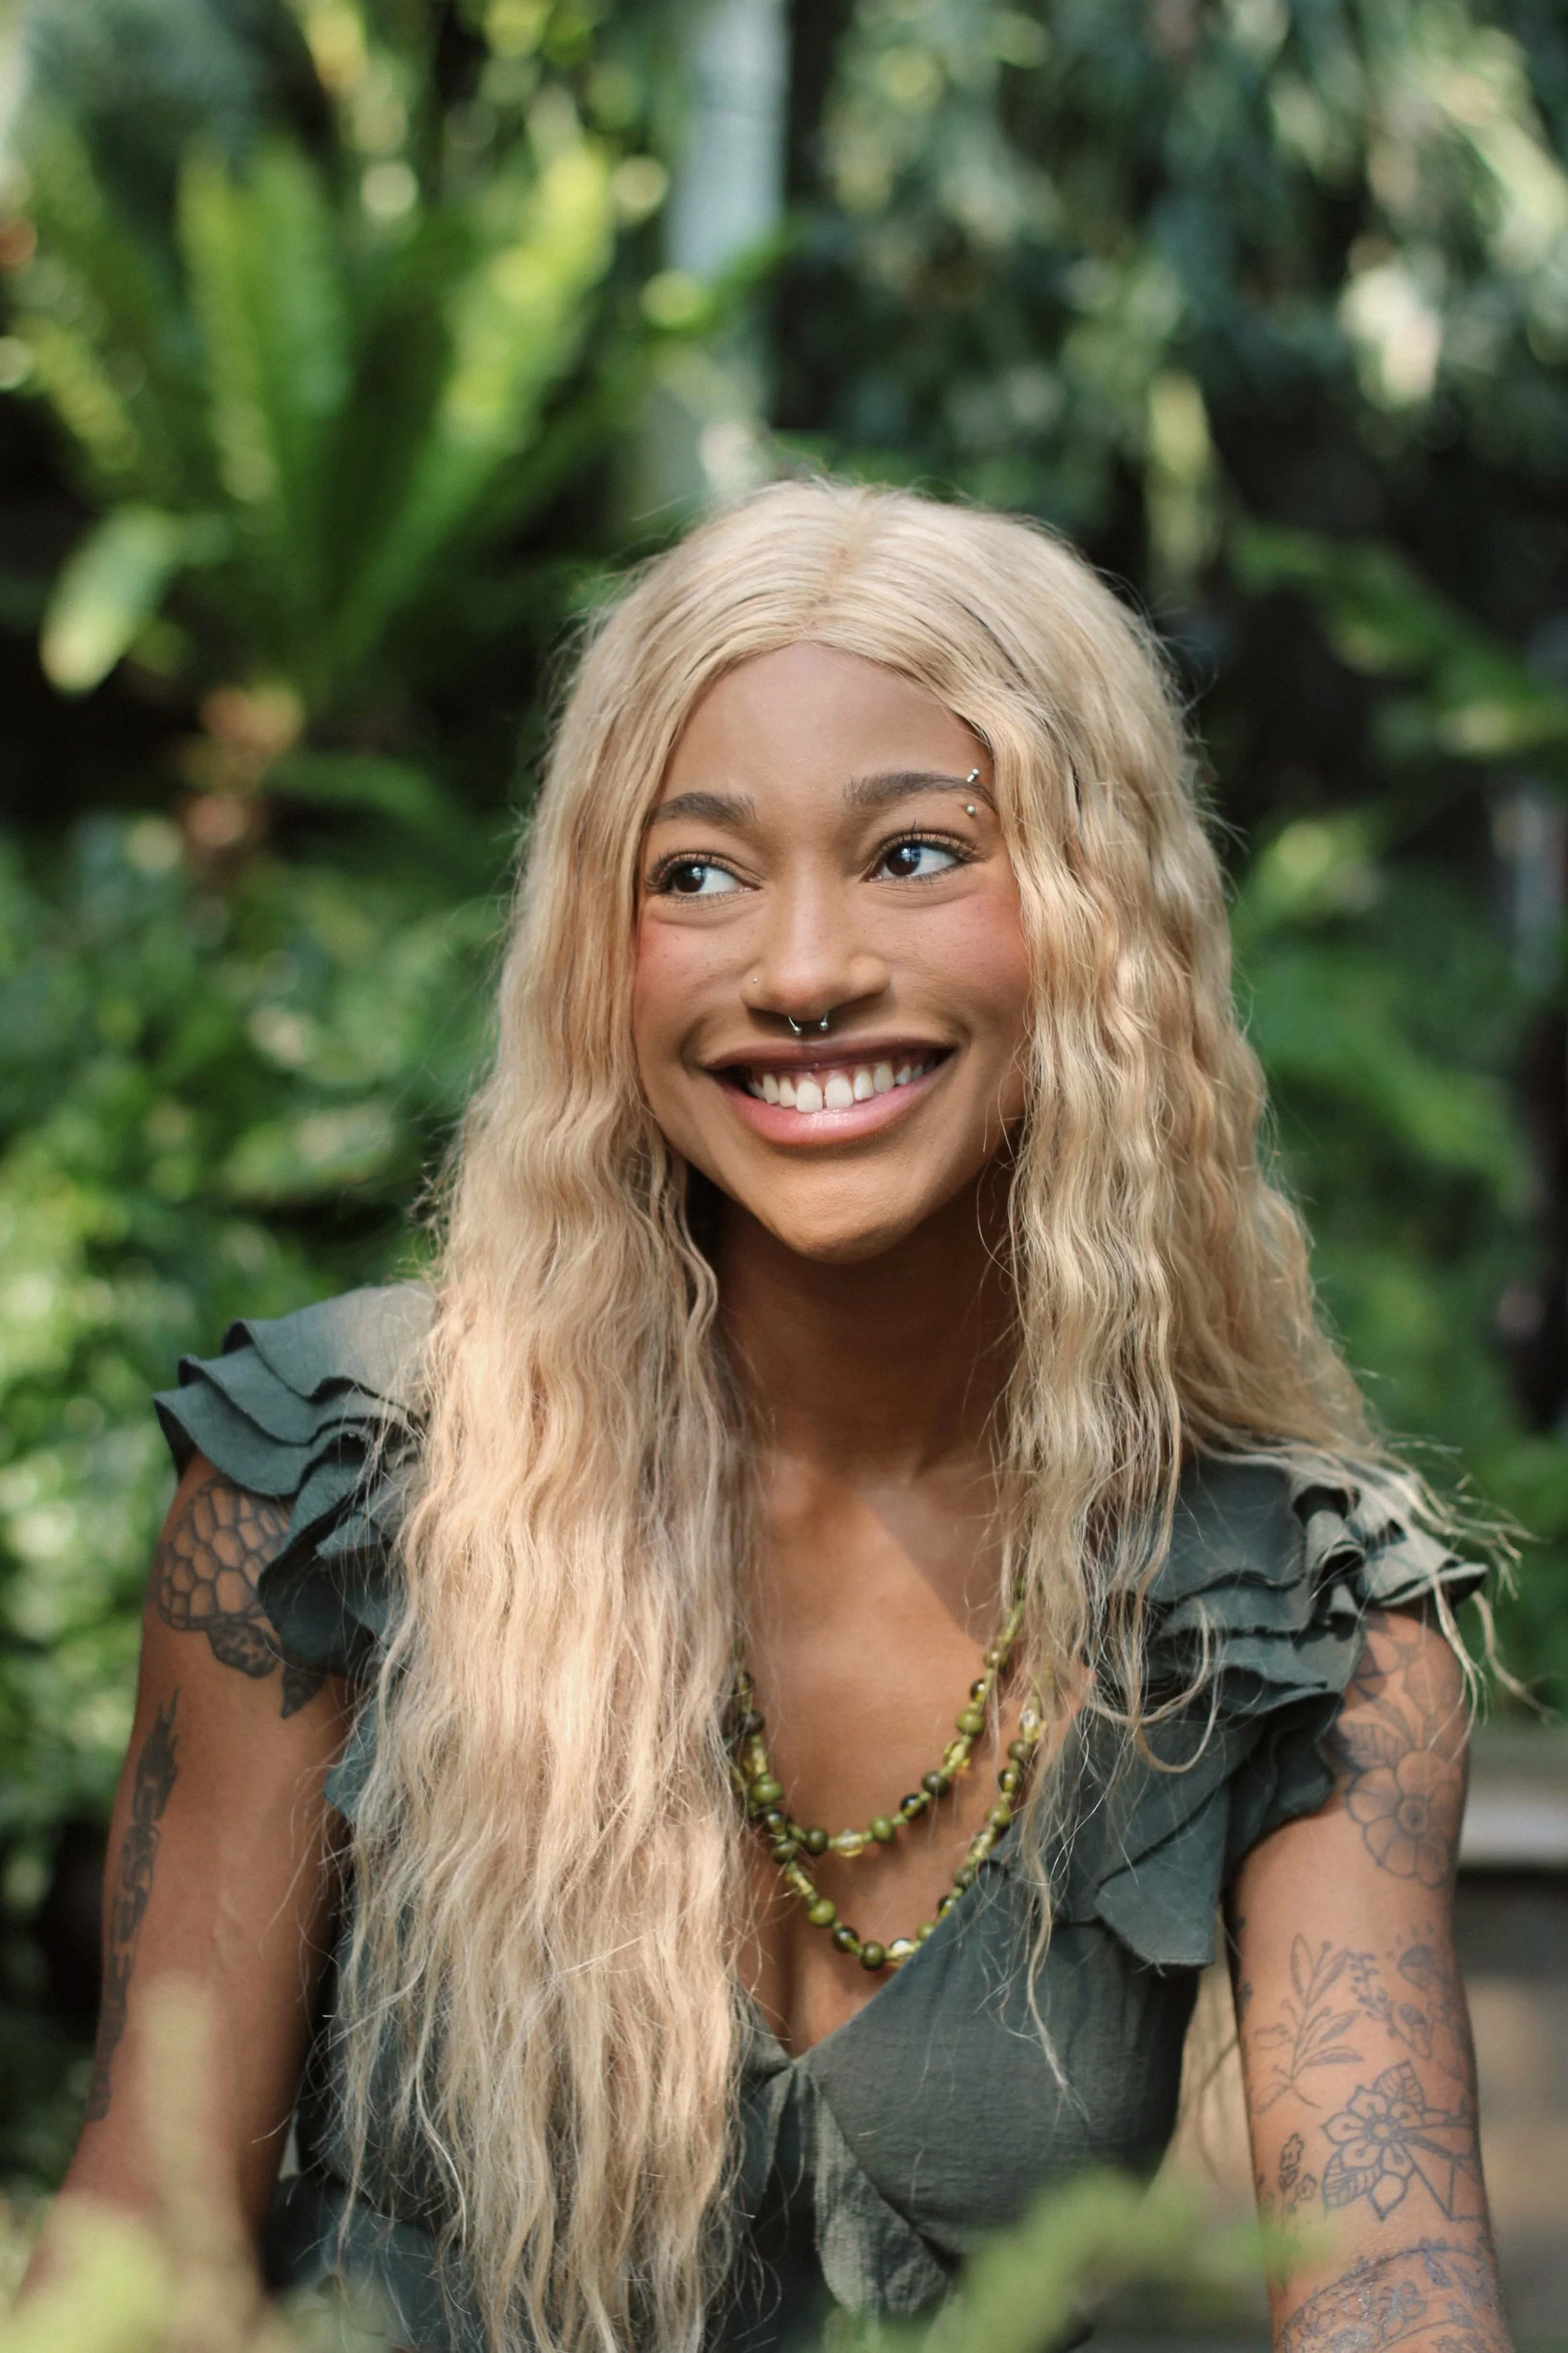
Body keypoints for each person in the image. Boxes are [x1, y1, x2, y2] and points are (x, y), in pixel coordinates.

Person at [48, 482, 1510, 2353]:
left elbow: (1392, 2287)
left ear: (1098, 920)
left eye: (915, 854)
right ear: (602, 954)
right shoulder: (329, 1487)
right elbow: (148, 2249)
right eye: (698, 873)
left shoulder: (1294, 1624)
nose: (803, 969)